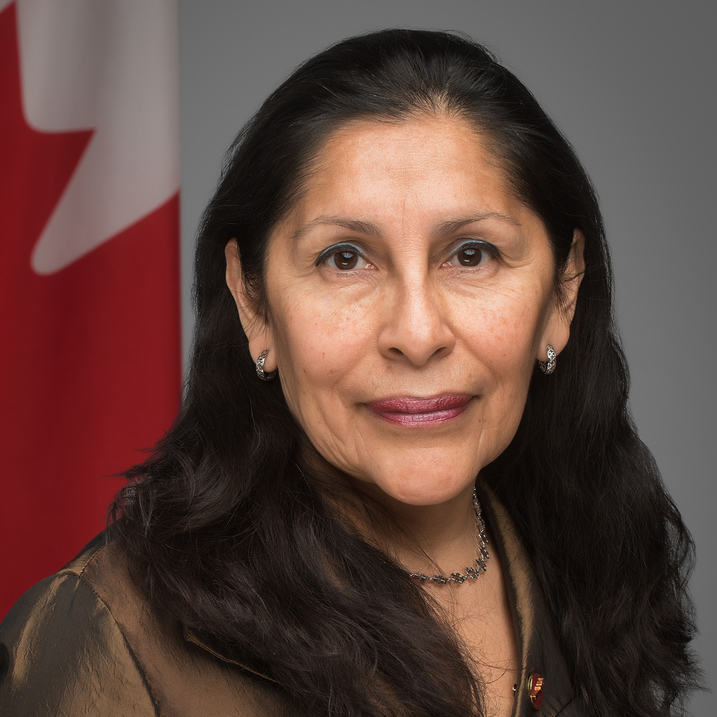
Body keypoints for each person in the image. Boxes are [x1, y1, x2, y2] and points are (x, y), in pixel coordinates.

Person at [0, 29, 699, 717]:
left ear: (562, 292)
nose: (417, 335)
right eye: (344, 259)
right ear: (253, 302)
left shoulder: (594, 571)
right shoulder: (103, 637)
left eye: (472, 254)